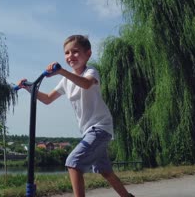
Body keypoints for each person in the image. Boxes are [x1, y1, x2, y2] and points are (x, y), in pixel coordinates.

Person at [17, 35, 134, 197]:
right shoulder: (66, 81)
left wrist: (62, 72)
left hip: (100, 127)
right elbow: (48, 99)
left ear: (88, 54)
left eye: (75, 52)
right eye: (66, 53)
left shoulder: (91, 72)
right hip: (89, 131)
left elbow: (86, 84)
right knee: (105, 171)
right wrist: (28, 89)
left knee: (73, 163)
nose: (70, 56)